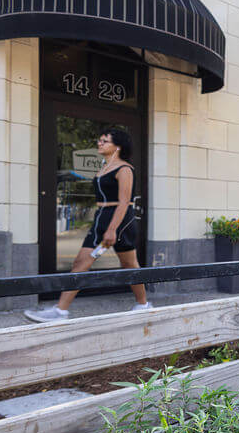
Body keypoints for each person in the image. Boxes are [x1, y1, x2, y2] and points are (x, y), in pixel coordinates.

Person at [24, 128, 151, 322]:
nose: (100, 143)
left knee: (129, 264)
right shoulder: (104, 167)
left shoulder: (124, 169)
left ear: (118, 146)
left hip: (120, 220)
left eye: (105, 141)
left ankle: (143, 304)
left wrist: (112, 229)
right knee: (80, 263)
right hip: (101, 217)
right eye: (99, 140)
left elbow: (124, 202)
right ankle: (60, 311)